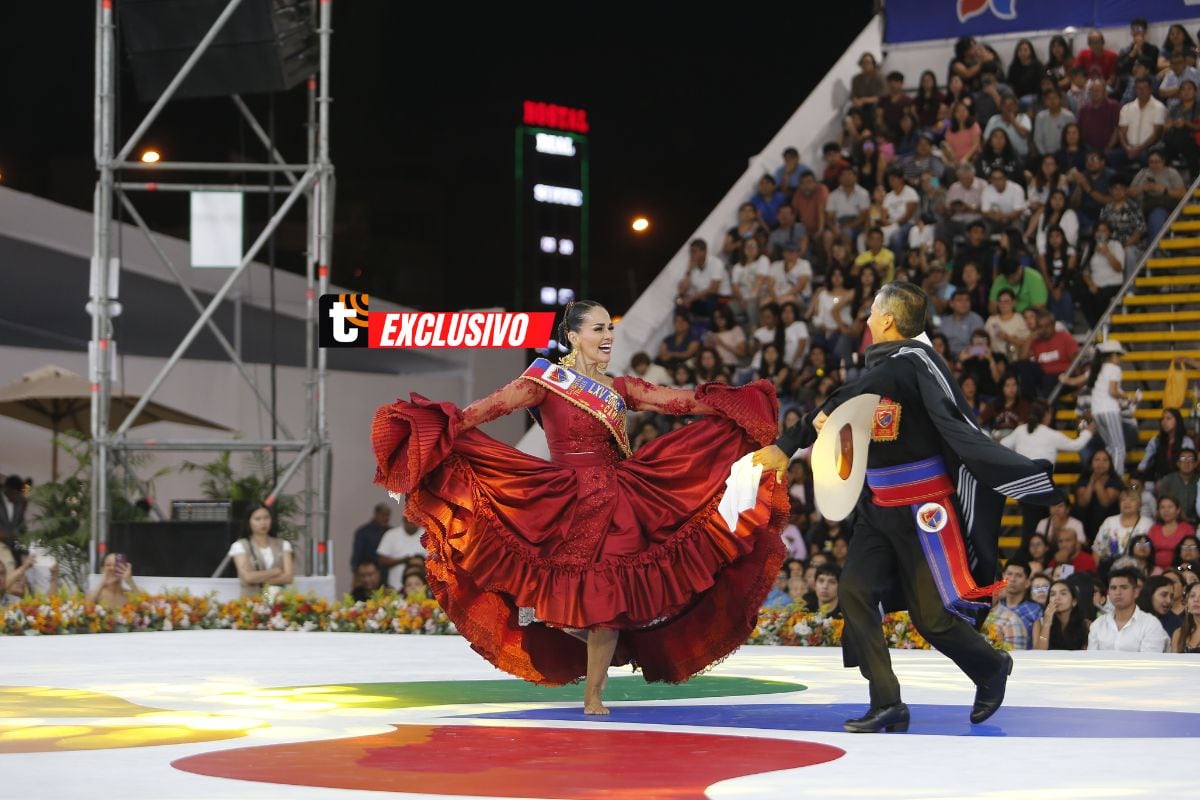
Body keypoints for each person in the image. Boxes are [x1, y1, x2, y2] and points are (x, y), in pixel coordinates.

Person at [372, 300, 788, 715]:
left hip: (620, 504)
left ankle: (593, 695)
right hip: (562, 503)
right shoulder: (545, 380)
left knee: (607, 605)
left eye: (610, 328)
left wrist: (738, 405)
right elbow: (485, 410)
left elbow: (680, 403)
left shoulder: (620, 387)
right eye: (597, 328)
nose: (607, 336)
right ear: (572, 336)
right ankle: (595, 647)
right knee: (558, 608)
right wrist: (434, 436)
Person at [753, 282, 1061, 733]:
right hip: (878, 508)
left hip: (924, 510)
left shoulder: (912, 361)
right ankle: (887, 701)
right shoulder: (887, 366)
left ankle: (991, 667)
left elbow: (847, 396)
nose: (866, 320)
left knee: (932, 620)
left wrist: (788, 444)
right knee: (854, 591)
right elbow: (850, 409)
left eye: (872, 312)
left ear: (889, 320)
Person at [1088, 567, 1169, 652]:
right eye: (1113, 588)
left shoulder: (1150, 624)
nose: (1118, 593)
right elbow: (1091, 658)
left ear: (1136, 592)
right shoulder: (1098, 624)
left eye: (1124, 587)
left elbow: (1149, 659)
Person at [229, 503, 294, 599]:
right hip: (251, 602)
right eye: (257, 519)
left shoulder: (283, 544)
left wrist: (258, 579)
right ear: (249, 522)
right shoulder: (240, 546)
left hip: (279, 602)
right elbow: (248, 577)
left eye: (266, 518)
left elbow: (288, 577)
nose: (263, 523)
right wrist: (276, 571)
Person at [985, 561, 1042, 649]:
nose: (1012, 579)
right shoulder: (994, 605)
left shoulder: (1035, 610)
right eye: (1009, 574)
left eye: (1018, 575)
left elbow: (1038, 649)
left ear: (1027, 582)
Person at [1032, 579, 1090, 650]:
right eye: (1052, 594)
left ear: (1074, 601)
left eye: (1063, 593)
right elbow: (1039, 652)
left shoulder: (1086, 625)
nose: (1057, 598)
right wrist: (1046, 624)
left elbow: (1087, 653)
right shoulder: (1039, 623)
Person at [350, 503, 391, 571]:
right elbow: (357, 554)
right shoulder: (363, 532)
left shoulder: (391, 532)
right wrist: (356, 569)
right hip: (369, 570)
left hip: (387, 571)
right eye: (383, 515)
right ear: (376, 514)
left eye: (388, 515)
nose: (386, 518)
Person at [1170, 581, 1200, 652]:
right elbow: (1174, 659)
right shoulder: (1179, 633)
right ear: (1187, 603)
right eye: (1192, 596)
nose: (1196, 600)